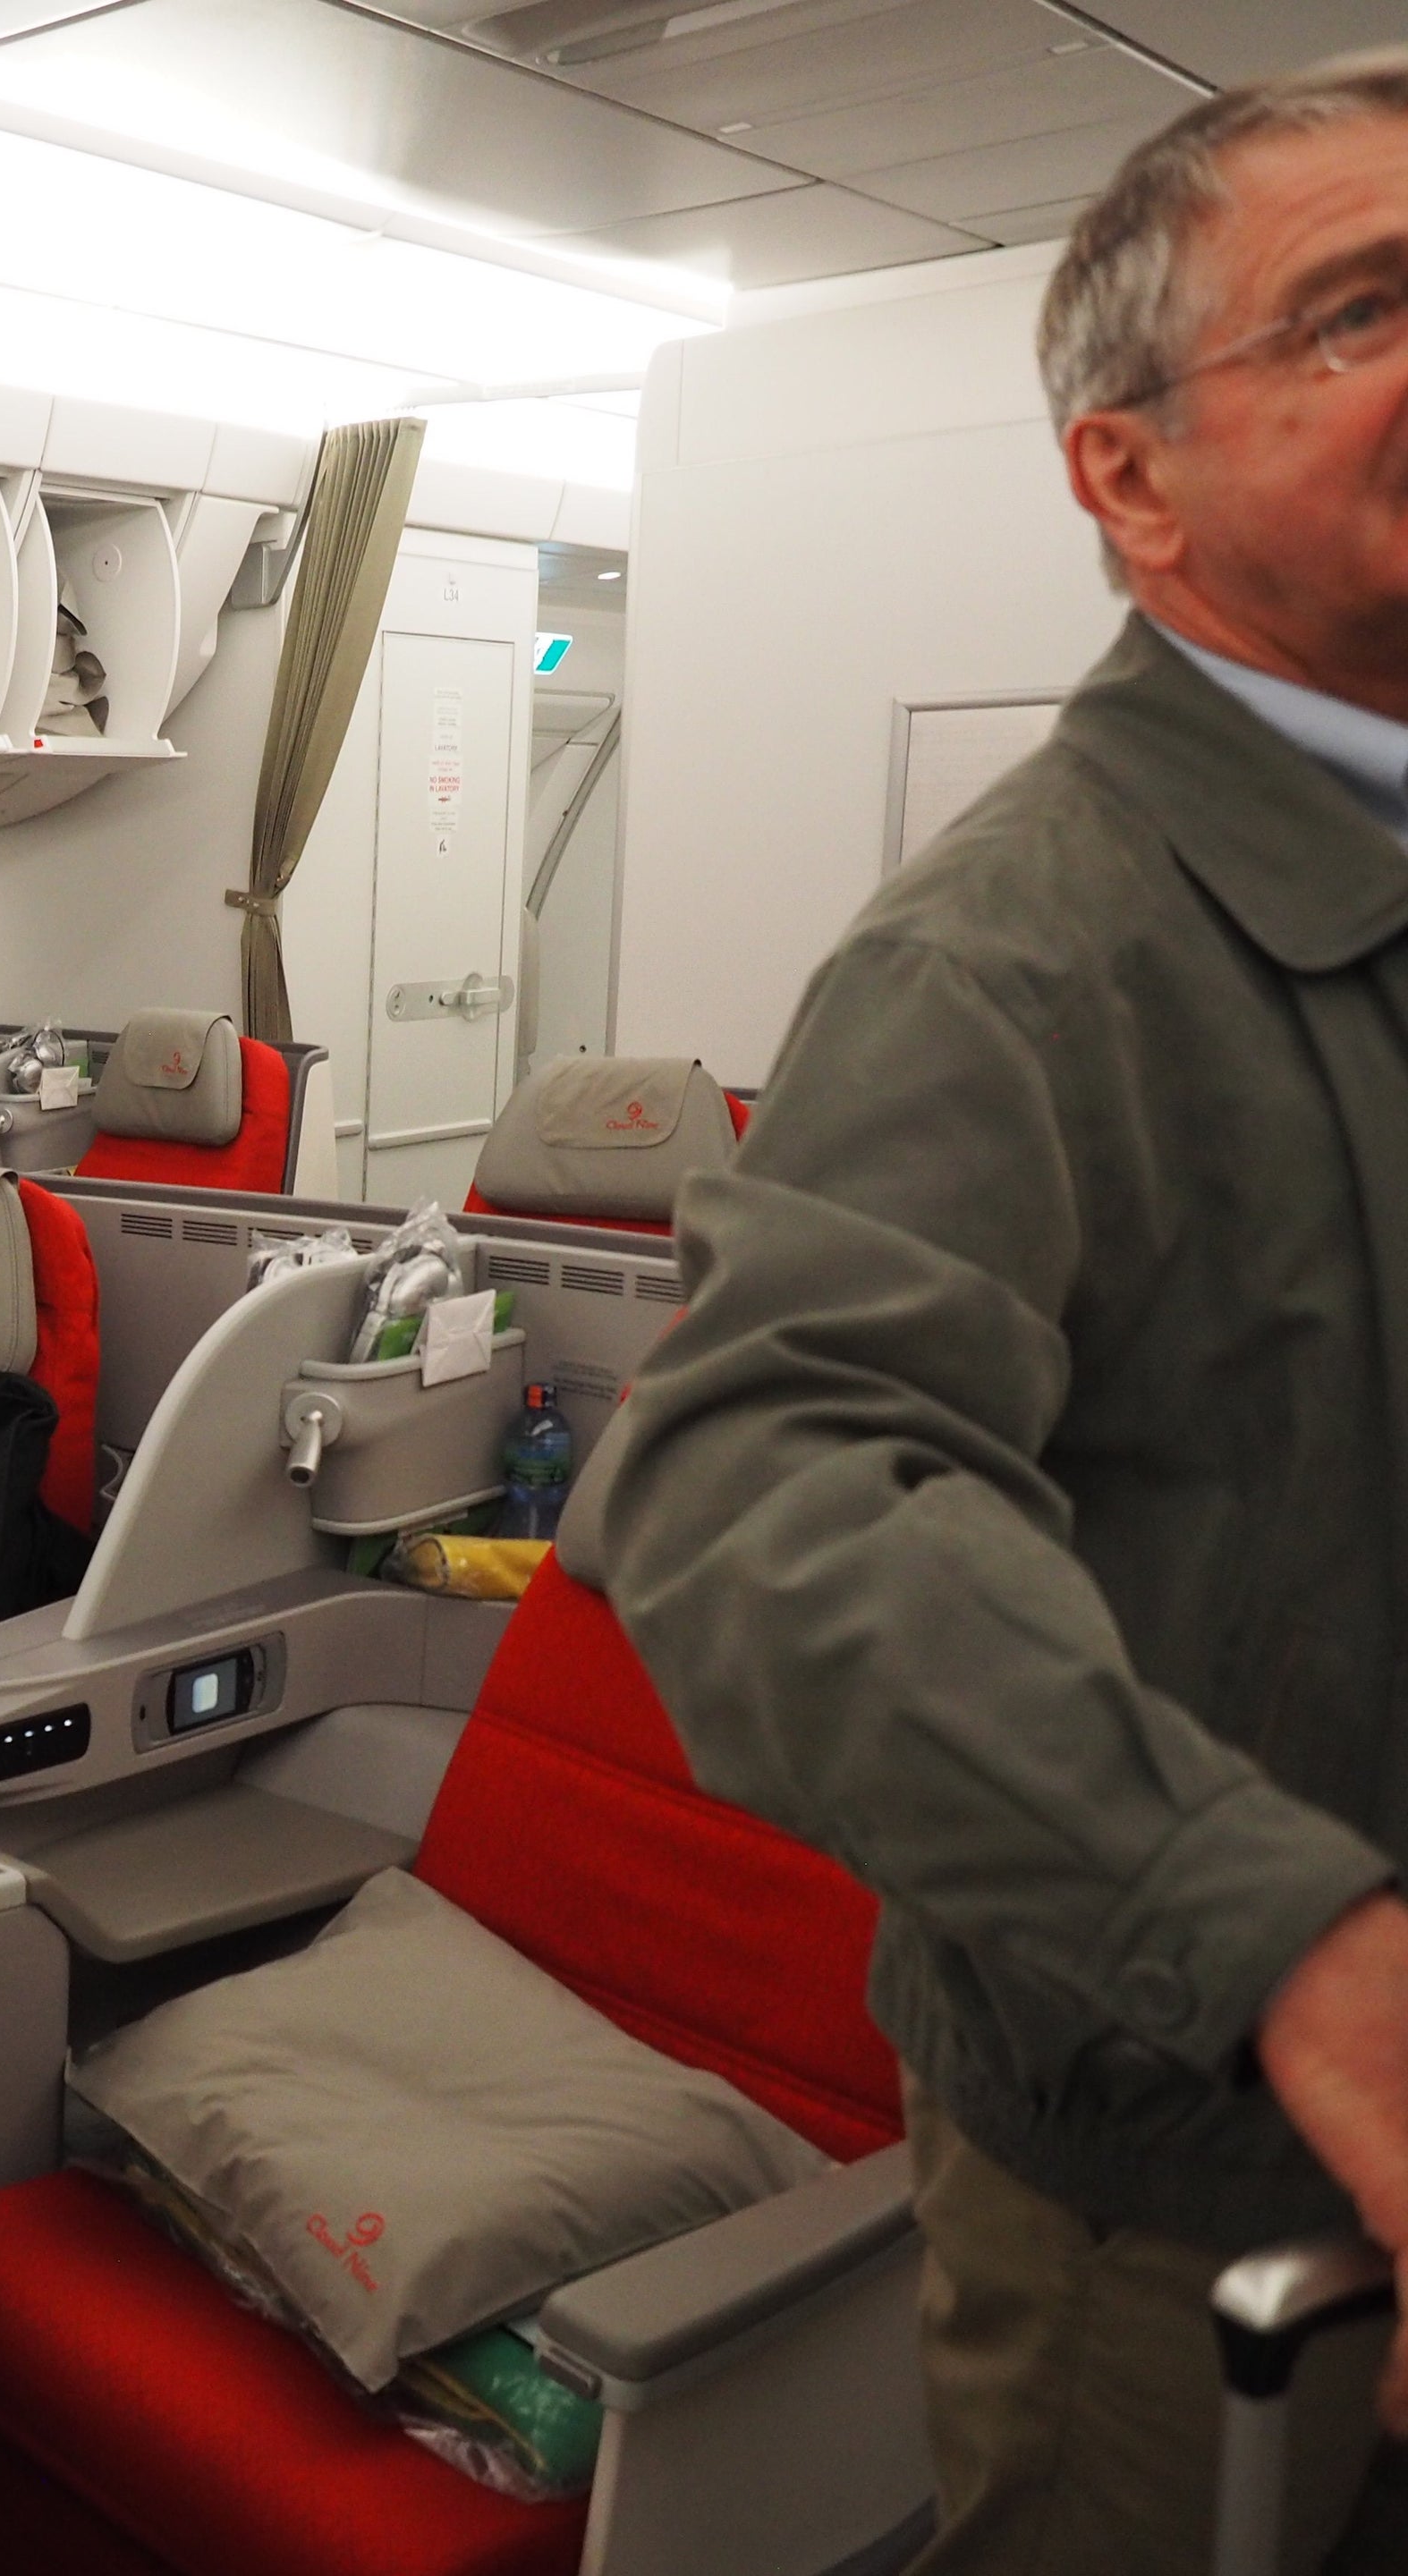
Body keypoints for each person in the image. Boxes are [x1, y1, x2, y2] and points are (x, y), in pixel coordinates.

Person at [571, 52, 1408, 2574]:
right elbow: (753, 1492)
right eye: (1361, 310)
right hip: (1192, 2193)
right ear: (1129, 478)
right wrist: (1289, 1939)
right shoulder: (1020, 947)